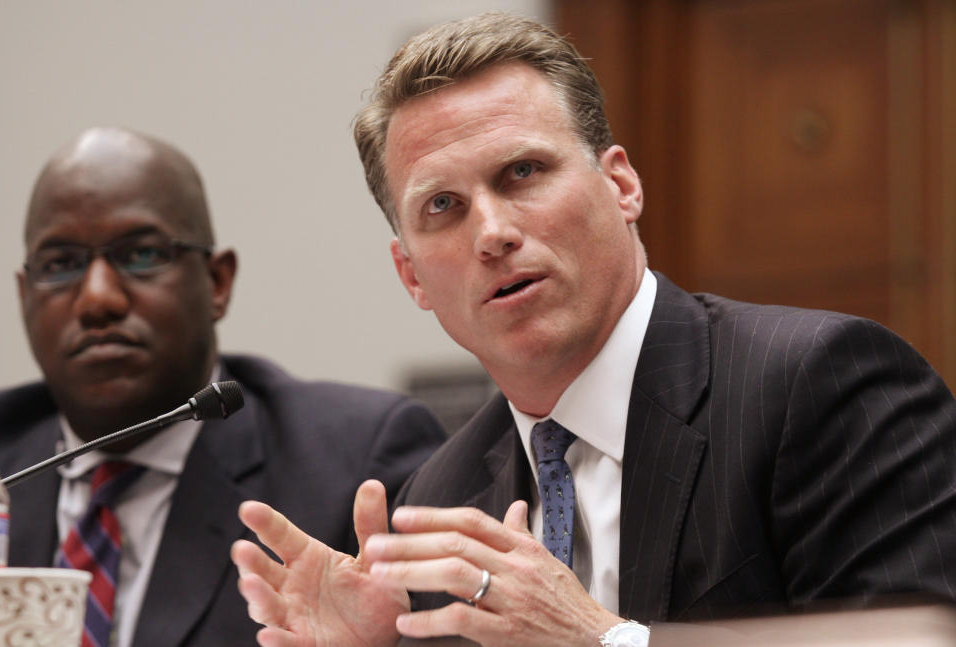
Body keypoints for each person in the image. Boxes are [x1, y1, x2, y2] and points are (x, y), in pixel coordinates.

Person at [231, 12, 956, 647]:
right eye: (444, 205)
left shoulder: (819, 383)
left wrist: (606, 641)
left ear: (621, 185)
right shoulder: (439, 493)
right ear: (412, 276)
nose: (492, 232)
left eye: (522, 171)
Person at [0, 127, 445, 647]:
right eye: (61, 265)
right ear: (24, 296)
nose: (97, 298)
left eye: (140, 254)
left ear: (217, 283)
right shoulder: (7, 452)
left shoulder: (360, 463)